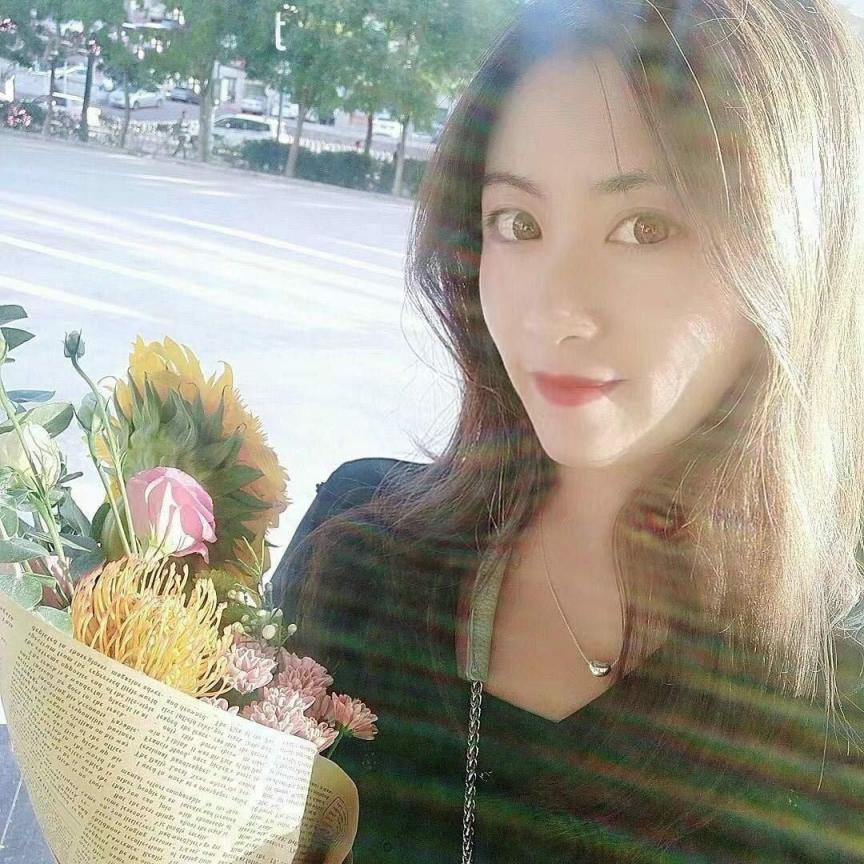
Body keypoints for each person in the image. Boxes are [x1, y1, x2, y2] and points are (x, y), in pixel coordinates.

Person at [270, 1, 864, 861]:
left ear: (793, 254)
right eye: (519, 222)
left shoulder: (838, 696)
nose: (553, 311)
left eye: (644, 228)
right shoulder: (358, 556)